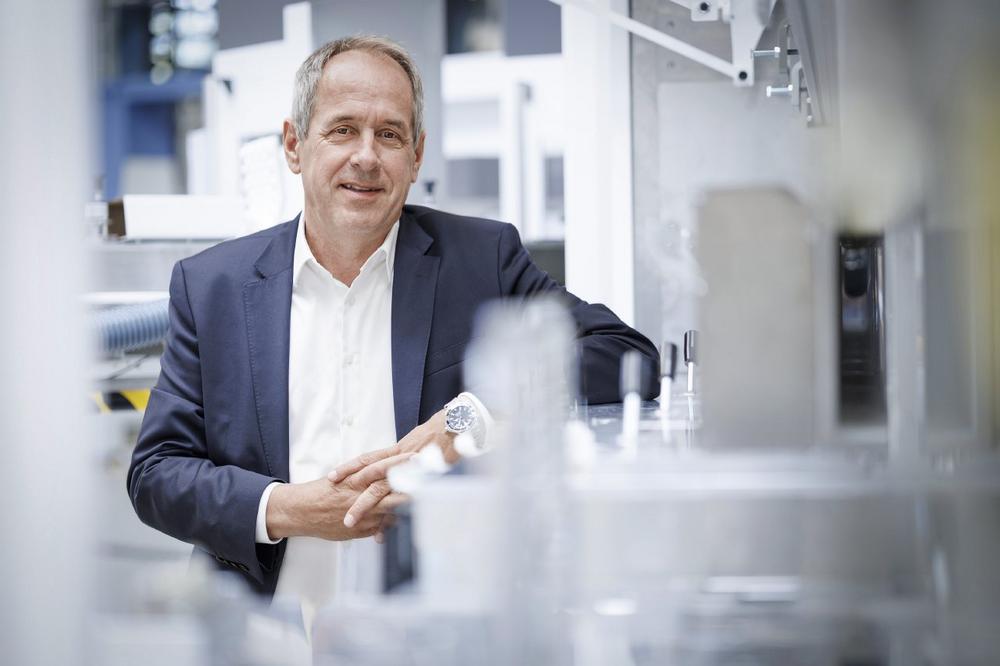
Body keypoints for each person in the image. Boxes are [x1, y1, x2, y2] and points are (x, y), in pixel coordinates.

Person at [127, 36, 659, 619]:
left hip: (442, 625)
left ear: (417, 154)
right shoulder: (212, 287)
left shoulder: (481, 260)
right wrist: (290, 509)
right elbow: (157, 473)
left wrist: (468, 421)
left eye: (389, 134)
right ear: (294, 145)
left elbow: (624, 353)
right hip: (265, 629)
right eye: (342, 130)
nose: (366, 157)